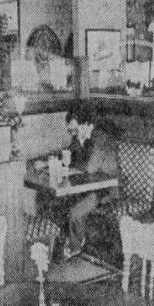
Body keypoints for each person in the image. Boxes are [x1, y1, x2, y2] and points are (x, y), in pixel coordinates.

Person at [63, 104, 119, 257]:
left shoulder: (100, 138)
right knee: (63, 205)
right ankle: (76, 243)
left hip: (106, 191)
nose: (73, 134)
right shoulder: (81, 138)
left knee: (75, 212)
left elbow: (90, 168)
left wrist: (80, 144)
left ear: (87, 125)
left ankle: (75, 247)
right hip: (90, 188)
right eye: (70, 131)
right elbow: (69, 156)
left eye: (75, 130)